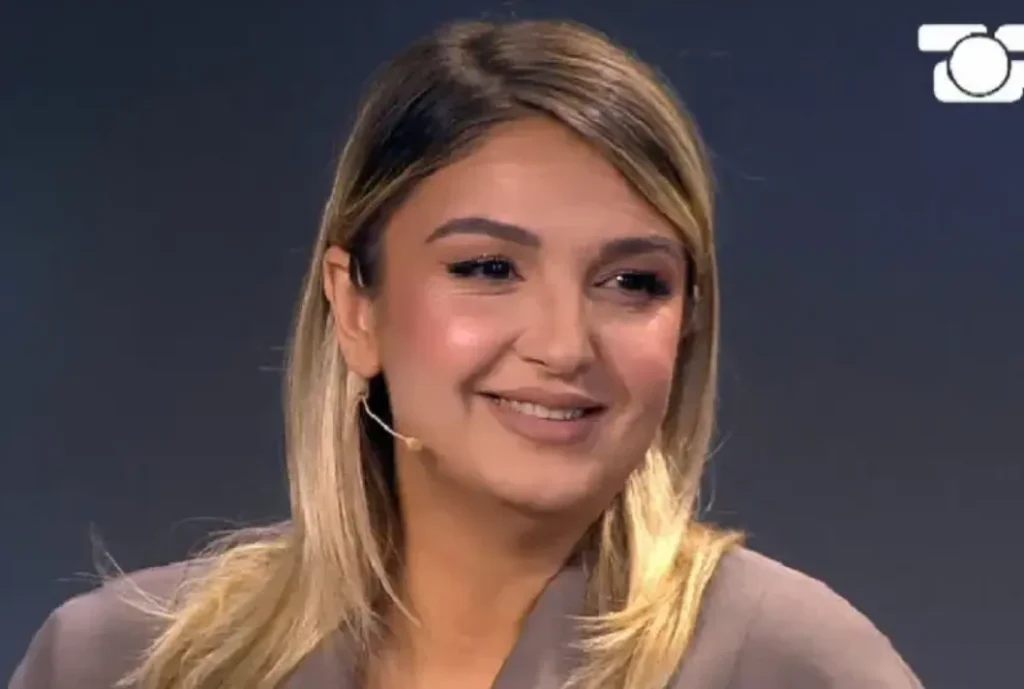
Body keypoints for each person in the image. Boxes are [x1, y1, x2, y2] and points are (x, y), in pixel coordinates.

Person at [9, 18, 925, 689]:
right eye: (488, 268)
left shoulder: (789, 662)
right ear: (355, 305)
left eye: (632, 281)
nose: (564, 344)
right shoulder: (120, 661)